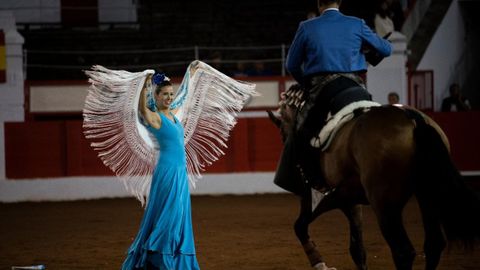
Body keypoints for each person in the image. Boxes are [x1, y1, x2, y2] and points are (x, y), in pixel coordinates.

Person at [274, 0, 392, 194]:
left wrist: (306, 84)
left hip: (324, 89)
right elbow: (386, 49)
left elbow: (292, 65)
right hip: (357, 88)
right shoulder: (357, 23)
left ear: (319, 4)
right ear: (340, 3)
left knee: (301, 131)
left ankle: (315, 181)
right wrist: (365, 51)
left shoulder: (307, 27)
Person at [122, 72, 200, 270]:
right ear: (156, 96)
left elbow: (185, 94)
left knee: (178, 214)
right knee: (169, 214)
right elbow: (142, 108)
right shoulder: (155, 118)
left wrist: (192, 72)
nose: (169, 98)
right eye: (164, 94)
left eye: (170, 94)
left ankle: (169, 257)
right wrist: (146, 82)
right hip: (167, 172)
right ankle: (160, 259)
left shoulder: (172, 114)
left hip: (180, 172)